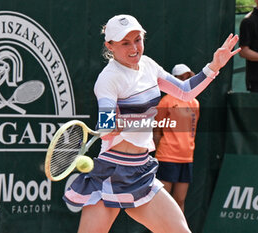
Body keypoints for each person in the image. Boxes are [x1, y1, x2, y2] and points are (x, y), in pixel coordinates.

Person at [63, 14, 240, 233]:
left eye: (138, 39)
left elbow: (185, 92)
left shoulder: (148, 66)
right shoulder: (109, 78)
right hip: (111, 172)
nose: (134, 48)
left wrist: (214, 66)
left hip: (141, 173)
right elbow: (107, 124)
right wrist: (136, 117)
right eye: (125, 43)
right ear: (110, 45)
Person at [153, 64, 199, 212]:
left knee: (179, 200)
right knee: (164, 202)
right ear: (175, 79)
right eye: (183, 77)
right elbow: (157, 129)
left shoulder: (195, 102)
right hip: (167, 156)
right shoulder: (166, 101)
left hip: (186, 158)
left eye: (188, 77)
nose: (186, 80)